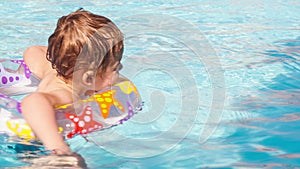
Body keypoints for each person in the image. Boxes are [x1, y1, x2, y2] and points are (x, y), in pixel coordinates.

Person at [21, 9, 124, 155]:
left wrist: (64, 53)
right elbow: (33, 101)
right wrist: (59, 149)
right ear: (88, 79)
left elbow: (32, 51)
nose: (121, 68)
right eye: (115, 68)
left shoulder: (49, 68)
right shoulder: (67, 94)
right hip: (33, 145)